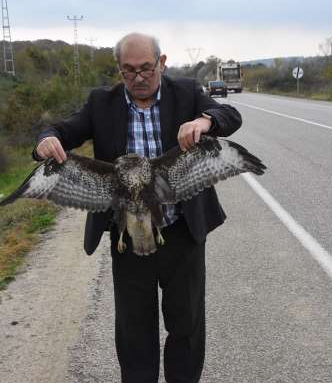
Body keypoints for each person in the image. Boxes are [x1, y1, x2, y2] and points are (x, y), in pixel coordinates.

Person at [33, 32, 242, 383]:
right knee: (134, 335)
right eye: (128, 71)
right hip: (128, 240)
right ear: (119, 70)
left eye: (146, 68)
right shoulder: (101, 103)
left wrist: (205, 121)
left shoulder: (187, 92)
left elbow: (229, 114)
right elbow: (60, 129)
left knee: (186, 327)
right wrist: (46, 139)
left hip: (183, 235)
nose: (139, 78)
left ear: (162, 63)